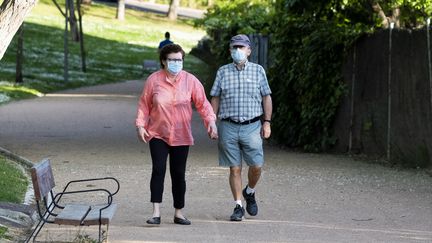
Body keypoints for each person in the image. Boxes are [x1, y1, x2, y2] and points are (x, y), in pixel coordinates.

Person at [136, 44, 218, 225]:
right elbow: (144, 104)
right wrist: (141, 125)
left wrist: (211, 122)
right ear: (164, 61)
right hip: (158, 133)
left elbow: (203, 104)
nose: (176, 63)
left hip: (181, 135)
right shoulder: (154, 80)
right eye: (172, 60)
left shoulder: (191, 81)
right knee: (158, 170)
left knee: (178, 173)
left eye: (179, 60)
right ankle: (156, 212)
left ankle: (178, 212)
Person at [210, 34, 272, 221]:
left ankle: (250, 191)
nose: (238, 51)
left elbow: (266, 96)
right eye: (234, 48)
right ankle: (238, 206)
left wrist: (267, 122)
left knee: (256, 166)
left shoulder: (258, 71)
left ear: (249, 51)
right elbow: (215, 97)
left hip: (252, 126)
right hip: (228, 126)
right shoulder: (222, 71)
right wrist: (211, 122)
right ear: (230, 50)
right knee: (234, 169)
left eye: (241, 47)